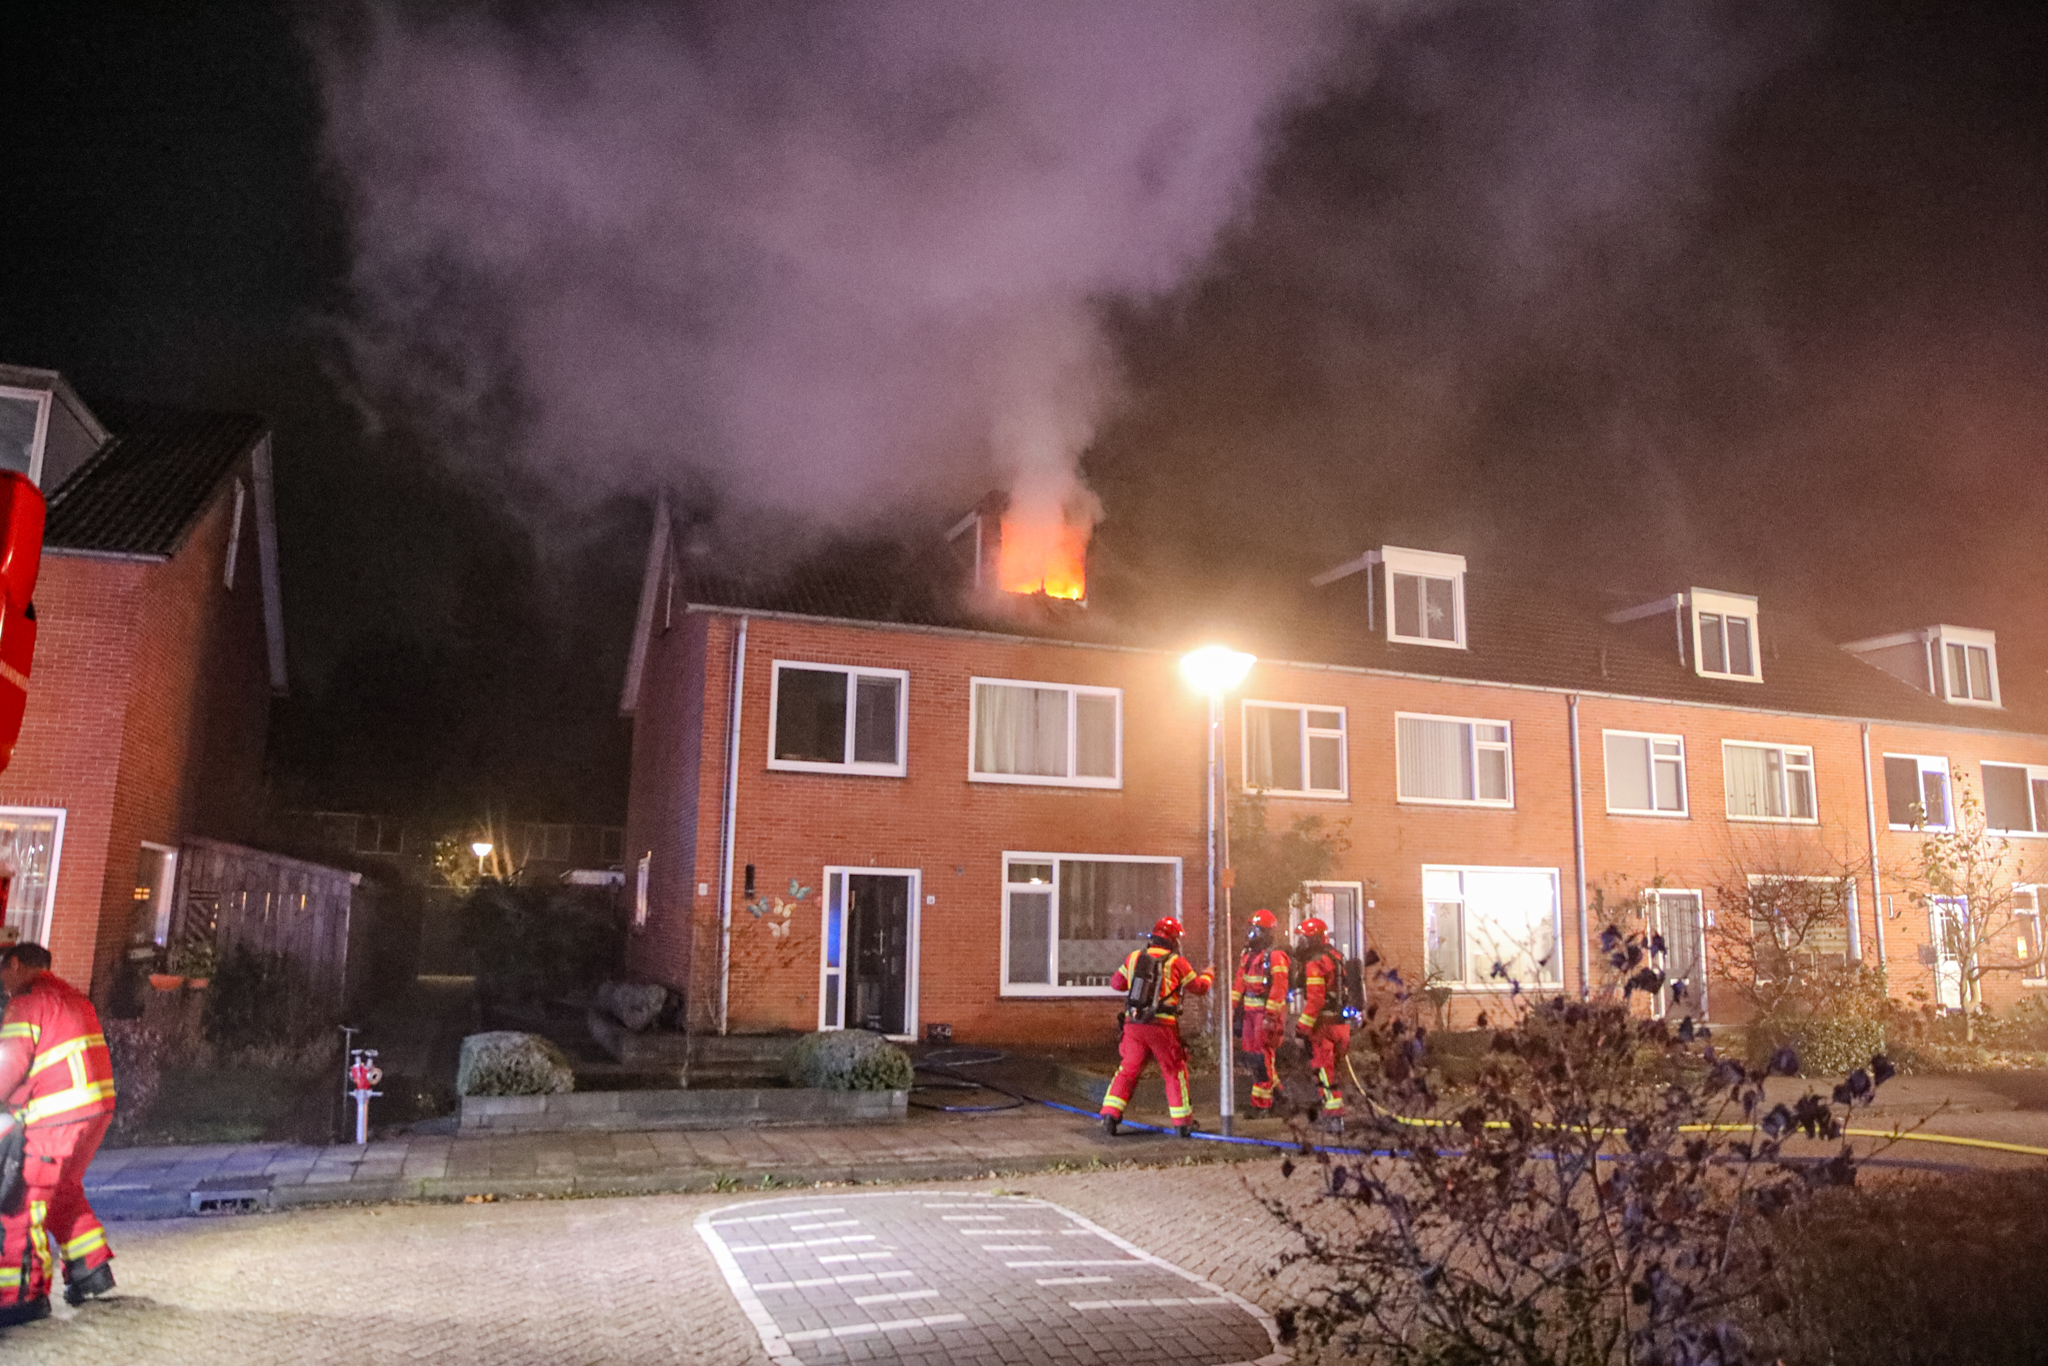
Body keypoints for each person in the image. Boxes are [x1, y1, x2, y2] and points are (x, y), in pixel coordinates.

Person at [0, 942, 118, 1328]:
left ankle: (22, 1297)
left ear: (14, 965)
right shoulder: (71, 997)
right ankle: (90, 1270)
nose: (2, 983)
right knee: (63, 1190)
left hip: (55, 1118)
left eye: (2, 972)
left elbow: (9, 1064)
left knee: (20, 1203)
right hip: (94, 1111)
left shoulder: (28, 1002)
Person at [1099, 917, 1212, 1138]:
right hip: (1162, 1027)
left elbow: (1116, 984)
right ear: (1172, 940)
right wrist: (1210, 974)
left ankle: (1110, 1115)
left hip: (1134, 1026)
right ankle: (1182, 1123)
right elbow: (1199, 988)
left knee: (1128, 1071)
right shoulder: (1177, 962)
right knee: (1174, 1072)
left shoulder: (1134, 958)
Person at [1293, 917, 1351, 1130]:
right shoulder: (1336, 957)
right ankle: (1334, 1114)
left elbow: (1315, 1000)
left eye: (1304, 939)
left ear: (1315, 940)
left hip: (1323, 1027)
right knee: (1335, 1070)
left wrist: (1301, 1029)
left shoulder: (1315, 963)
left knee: (1324, 1070)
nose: (1301, 944)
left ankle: (1334, 1118)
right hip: (1342, 1026)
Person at [1230, 908, 1290, 1113]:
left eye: (1256, 929)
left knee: (1262, 1056)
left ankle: (1261, 1104)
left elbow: (1280, 986)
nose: (1251, 933)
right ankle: (1279, 1094)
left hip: (1265, 1014)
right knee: (1251, 1055)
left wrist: (1270, 1016)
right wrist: (1231, 1010)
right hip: (1249, 1014)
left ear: (1266, 932)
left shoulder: (1275, 956)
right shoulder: (1248, 956)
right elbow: (1239, 983)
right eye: (1251, 928)